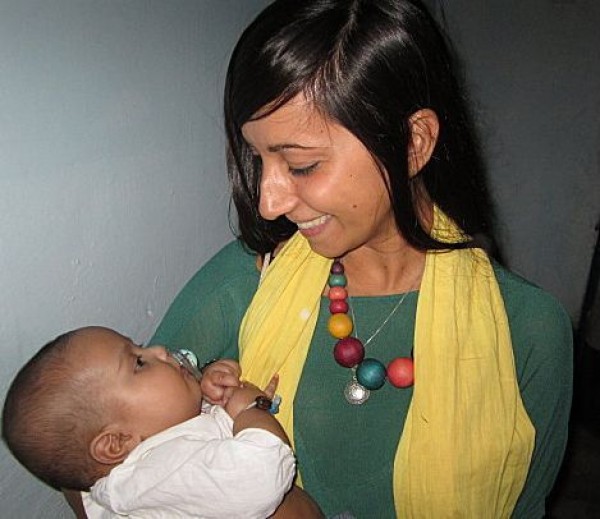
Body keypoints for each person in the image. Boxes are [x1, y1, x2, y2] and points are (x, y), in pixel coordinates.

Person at [146, 1, 573, 517]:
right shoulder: (247, 278)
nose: (268, 203)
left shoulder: (528, 328)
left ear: (413, 143)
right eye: (258, 158)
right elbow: (94, 448)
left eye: (301, 165)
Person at [2, 326, 323, 519]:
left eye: (139, 346)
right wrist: (251, 408)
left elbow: (190, 430)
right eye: (139, 363)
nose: (157, 349)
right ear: (116, 443)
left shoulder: (145, 458)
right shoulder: (159, 474)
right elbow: (260, 474)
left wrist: (207, 392)